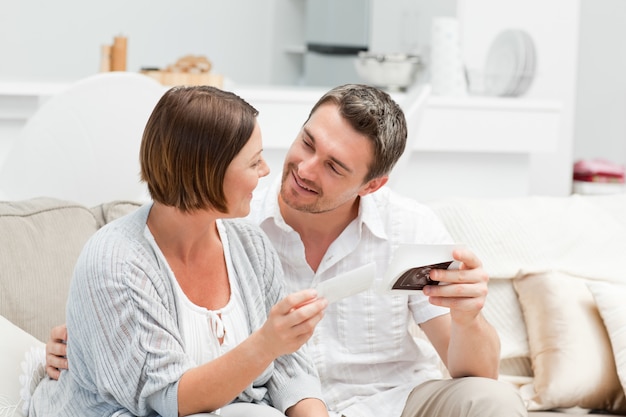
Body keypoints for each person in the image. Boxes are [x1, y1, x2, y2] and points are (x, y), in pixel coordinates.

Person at [45, 84, 527, 417]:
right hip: (274, 407)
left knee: (496, 401)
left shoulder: (408, 227)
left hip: (390, 400)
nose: (299, 169)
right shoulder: (237, 217)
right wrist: (88, 341)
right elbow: (140, 332)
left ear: (373, 185)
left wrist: (468, 318)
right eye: (306, 142)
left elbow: (474, 372)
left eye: (335, 167)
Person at [30, 85, 329, 417]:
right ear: (207, 172)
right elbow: (169, 397)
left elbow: (291, 369)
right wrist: (266, 343)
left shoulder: (251, 247)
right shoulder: (115, 263)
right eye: (254, 161)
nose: (265, 171)